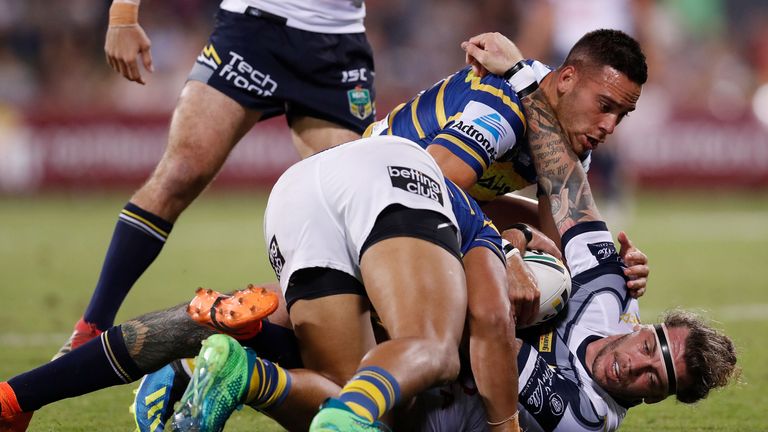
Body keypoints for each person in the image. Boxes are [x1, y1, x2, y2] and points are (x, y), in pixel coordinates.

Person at [0, 134, 532, 432]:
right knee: (431, 353)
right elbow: (489, 317)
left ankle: (13, 398)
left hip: (297, 189)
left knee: (344, 383)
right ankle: (278, 372)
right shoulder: (484, 239)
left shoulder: (430, 255)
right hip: (392, 173)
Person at [55, 0, 377, 359]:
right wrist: (123, 15)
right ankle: (91, 330)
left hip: (337, 48)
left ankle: (364, 347)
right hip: (251, 32)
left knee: (349, 208)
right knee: (181, 173)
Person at [362, 29, 652, 318]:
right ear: (566, 79)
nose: (610, 126)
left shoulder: (571, 131)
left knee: (552, 267)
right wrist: (506, 248)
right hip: (374, 195)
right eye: (605, 106)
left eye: (621, 114)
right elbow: (428, 186)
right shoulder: (504, 108)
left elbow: (560, 242)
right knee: (490, 308)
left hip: (419, 204)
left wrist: (610, 267)